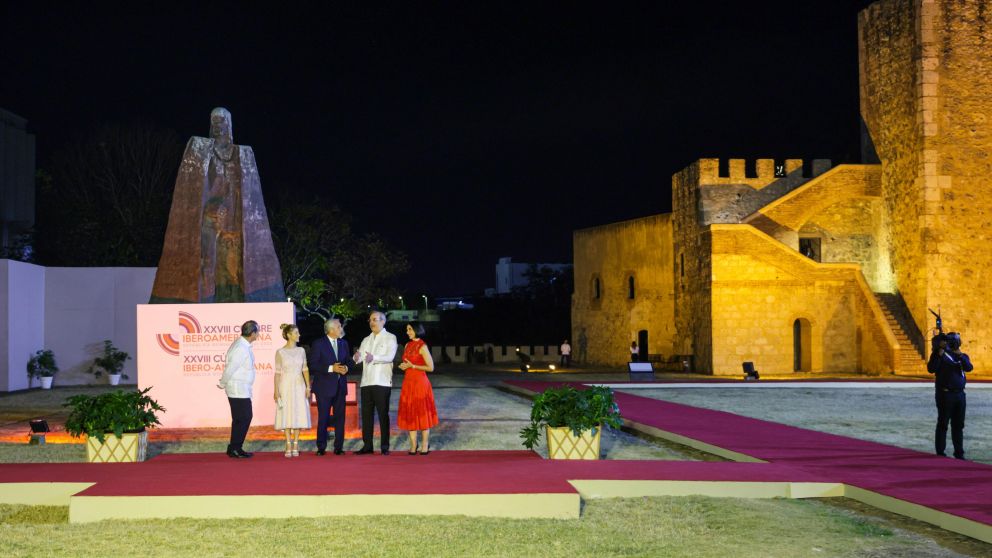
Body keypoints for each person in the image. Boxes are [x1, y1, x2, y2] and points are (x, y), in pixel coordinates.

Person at [353, 311, 397, 455]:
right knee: (366, 415)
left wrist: (374, 357)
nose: (372, 322)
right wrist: (356, 357)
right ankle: (367, 446)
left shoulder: (390, 338)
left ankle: (384, 446)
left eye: (374, 319)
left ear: (383, 321)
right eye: (370, 320)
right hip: (366, 382)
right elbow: (359, 358)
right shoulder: (366, 339)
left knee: (383, 414)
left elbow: (390, 356)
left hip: (382, 382)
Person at [308, 318, 353, 455]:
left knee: (340, 417)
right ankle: (321, 447)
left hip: (340, 386)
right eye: (339, 327)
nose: (341, 328)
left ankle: (338, 447)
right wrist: (331, 368)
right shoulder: (318, 344)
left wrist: (346, 367)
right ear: (331, 329)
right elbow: (313, 365)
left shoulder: (344, 343)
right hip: (323, 388)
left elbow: (348, 362)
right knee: (324, 417)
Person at [927, 332, 974, 459]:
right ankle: (940, 452)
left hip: (960, 394)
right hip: (945, 393)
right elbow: (931, 369)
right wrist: (939, 354)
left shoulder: (962, 356)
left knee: (958, 425)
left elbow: (969, 368)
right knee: (943, 423)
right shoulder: (940, 355)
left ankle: (959, 453)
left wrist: (960, 355)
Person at [217, 320, 259, 458]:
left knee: (239, 419)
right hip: (237, 388)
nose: (258, 335)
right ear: (252, 333)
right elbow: (231, 368)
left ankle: (234, 447)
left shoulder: (242, 345)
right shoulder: (241, 347)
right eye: (257, 332)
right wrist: (222, 383)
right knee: (245, 417)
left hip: (240, 387)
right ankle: (236, 447)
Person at [397, 322, 438, 455]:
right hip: (408, 383)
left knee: (422, 413)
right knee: (410, 413)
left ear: (416, 330)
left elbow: (431, 367)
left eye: (409, 329)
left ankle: (425, 444)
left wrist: (413, 366)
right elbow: (407, 363)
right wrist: (404, 366)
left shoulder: (422, 346)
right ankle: (414, 445)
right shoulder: (408, 345)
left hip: (420, 383)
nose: (407, 332)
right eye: (407, 329)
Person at [274, 323, 311, 457]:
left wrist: (308, 386)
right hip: (285, 384)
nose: (299, 335)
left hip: (299, 384)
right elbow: (277, 373)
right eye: (296, 333)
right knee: (287, 412)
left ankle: (296, 443)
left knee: (298, 411)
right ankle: (288, 443)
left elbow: (305, 369)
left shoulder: (301, 351)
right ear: (289, 335)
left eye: (298, 332)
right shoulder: (280, 352)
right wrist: (276, 391)